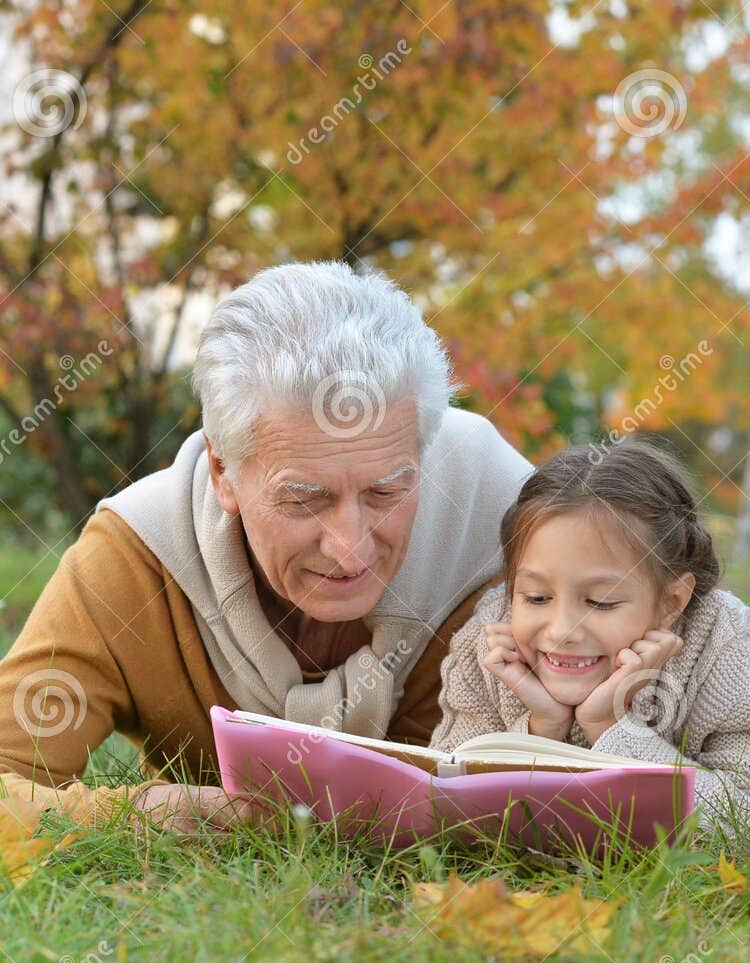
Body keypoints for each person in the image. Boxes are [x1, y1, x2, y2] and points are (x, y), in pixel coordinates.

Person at [0, 262, 532, 831]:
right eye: (304, 499)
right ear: (224, 472)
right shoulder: (135, 560)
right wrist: (137, 815)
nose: (350, 550)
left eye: (386, 491)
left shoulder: (517, 528)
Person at [431, 441, 750, 830]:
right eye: (536, 597)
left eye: (601, 602)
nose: (561, 631)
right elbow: (440, 798)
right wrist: (542, 733)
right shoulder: (490, 642)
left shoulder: (725, 648)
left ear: (671, 600)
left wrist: (611, 730)